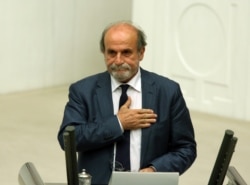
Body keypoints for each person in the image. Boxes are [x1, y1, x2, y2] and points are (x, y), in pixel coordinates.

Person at [57, 21, 196, 185]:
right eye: (111, 53)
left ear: (141, 52)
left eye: (126, 52)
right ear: (103, 52)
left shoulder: (167, 91)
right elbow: (68, 139)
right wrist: (118, 123)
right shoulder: (83, 91)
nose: (118, 60)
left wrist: (155, 170)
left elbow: (186, 148)